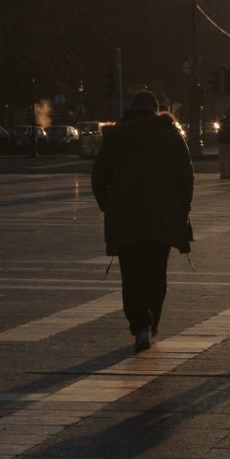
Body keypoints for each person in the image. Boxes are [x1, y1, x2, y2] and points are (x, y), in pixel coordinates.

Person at [92, 90, 193, 353]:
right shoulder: (170, 135)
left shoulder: (116, 137)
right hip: (161, 217)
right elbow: (186, 174)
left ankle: (140, 325)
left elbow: (98, 177)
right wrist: (182, 209)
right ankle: (153, 320)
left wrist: (109, 206)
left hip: (125, 218)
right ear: (155, 110)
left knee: (131, 275)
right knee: (156, 273)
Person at [217, 112, 230, 179]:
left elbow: (219, 132)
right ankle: (229, 174)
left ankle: (223, 174)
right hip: (229, 142)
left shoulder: (222, 121)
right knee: (229, 160)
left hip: (222, 142)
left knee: (222, 159)